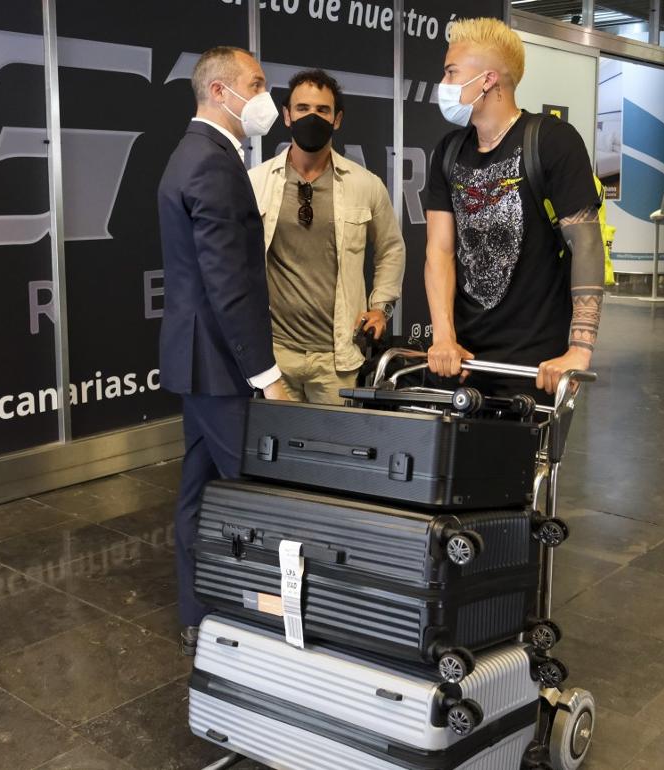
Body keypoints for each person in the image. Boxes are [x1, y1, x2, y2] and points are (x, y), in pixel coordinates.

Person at [157, 46, 289, 656]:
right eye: (257, 84)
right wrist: (267, 375)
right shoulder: (209, 163)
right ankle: (264, 618)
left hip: (200, 360)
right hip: (220, 362)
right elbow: (228, 283)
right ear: (219, 91)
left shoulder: (200, 155)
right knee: (261, 492)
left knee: (198, 487)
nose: (267, 97)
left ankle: (198, 612)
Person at [424, 18, 605, 398]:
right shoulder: (448, 152)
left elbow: (586, 244)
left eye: (452, 72)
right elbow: (439, 250)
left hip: (535, 364)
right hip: (464, 360)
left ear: (488, 80)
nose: (444, 83)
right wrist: (444, 338)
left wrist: (579, 350)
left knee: (525, 459)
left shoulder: (552, 141)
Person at [249, 69, 405, 404]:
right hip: (275, 355)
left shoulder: (365, 185)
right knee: (279, 452)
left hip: (338, 357)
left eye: (323, 110)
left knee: (333, 453)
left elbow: (391, 248)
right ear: (287, 116)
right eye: (303, 108)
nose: (313, 117)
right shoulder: (257, 182)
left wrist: (380, 308)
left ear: (337, 119)